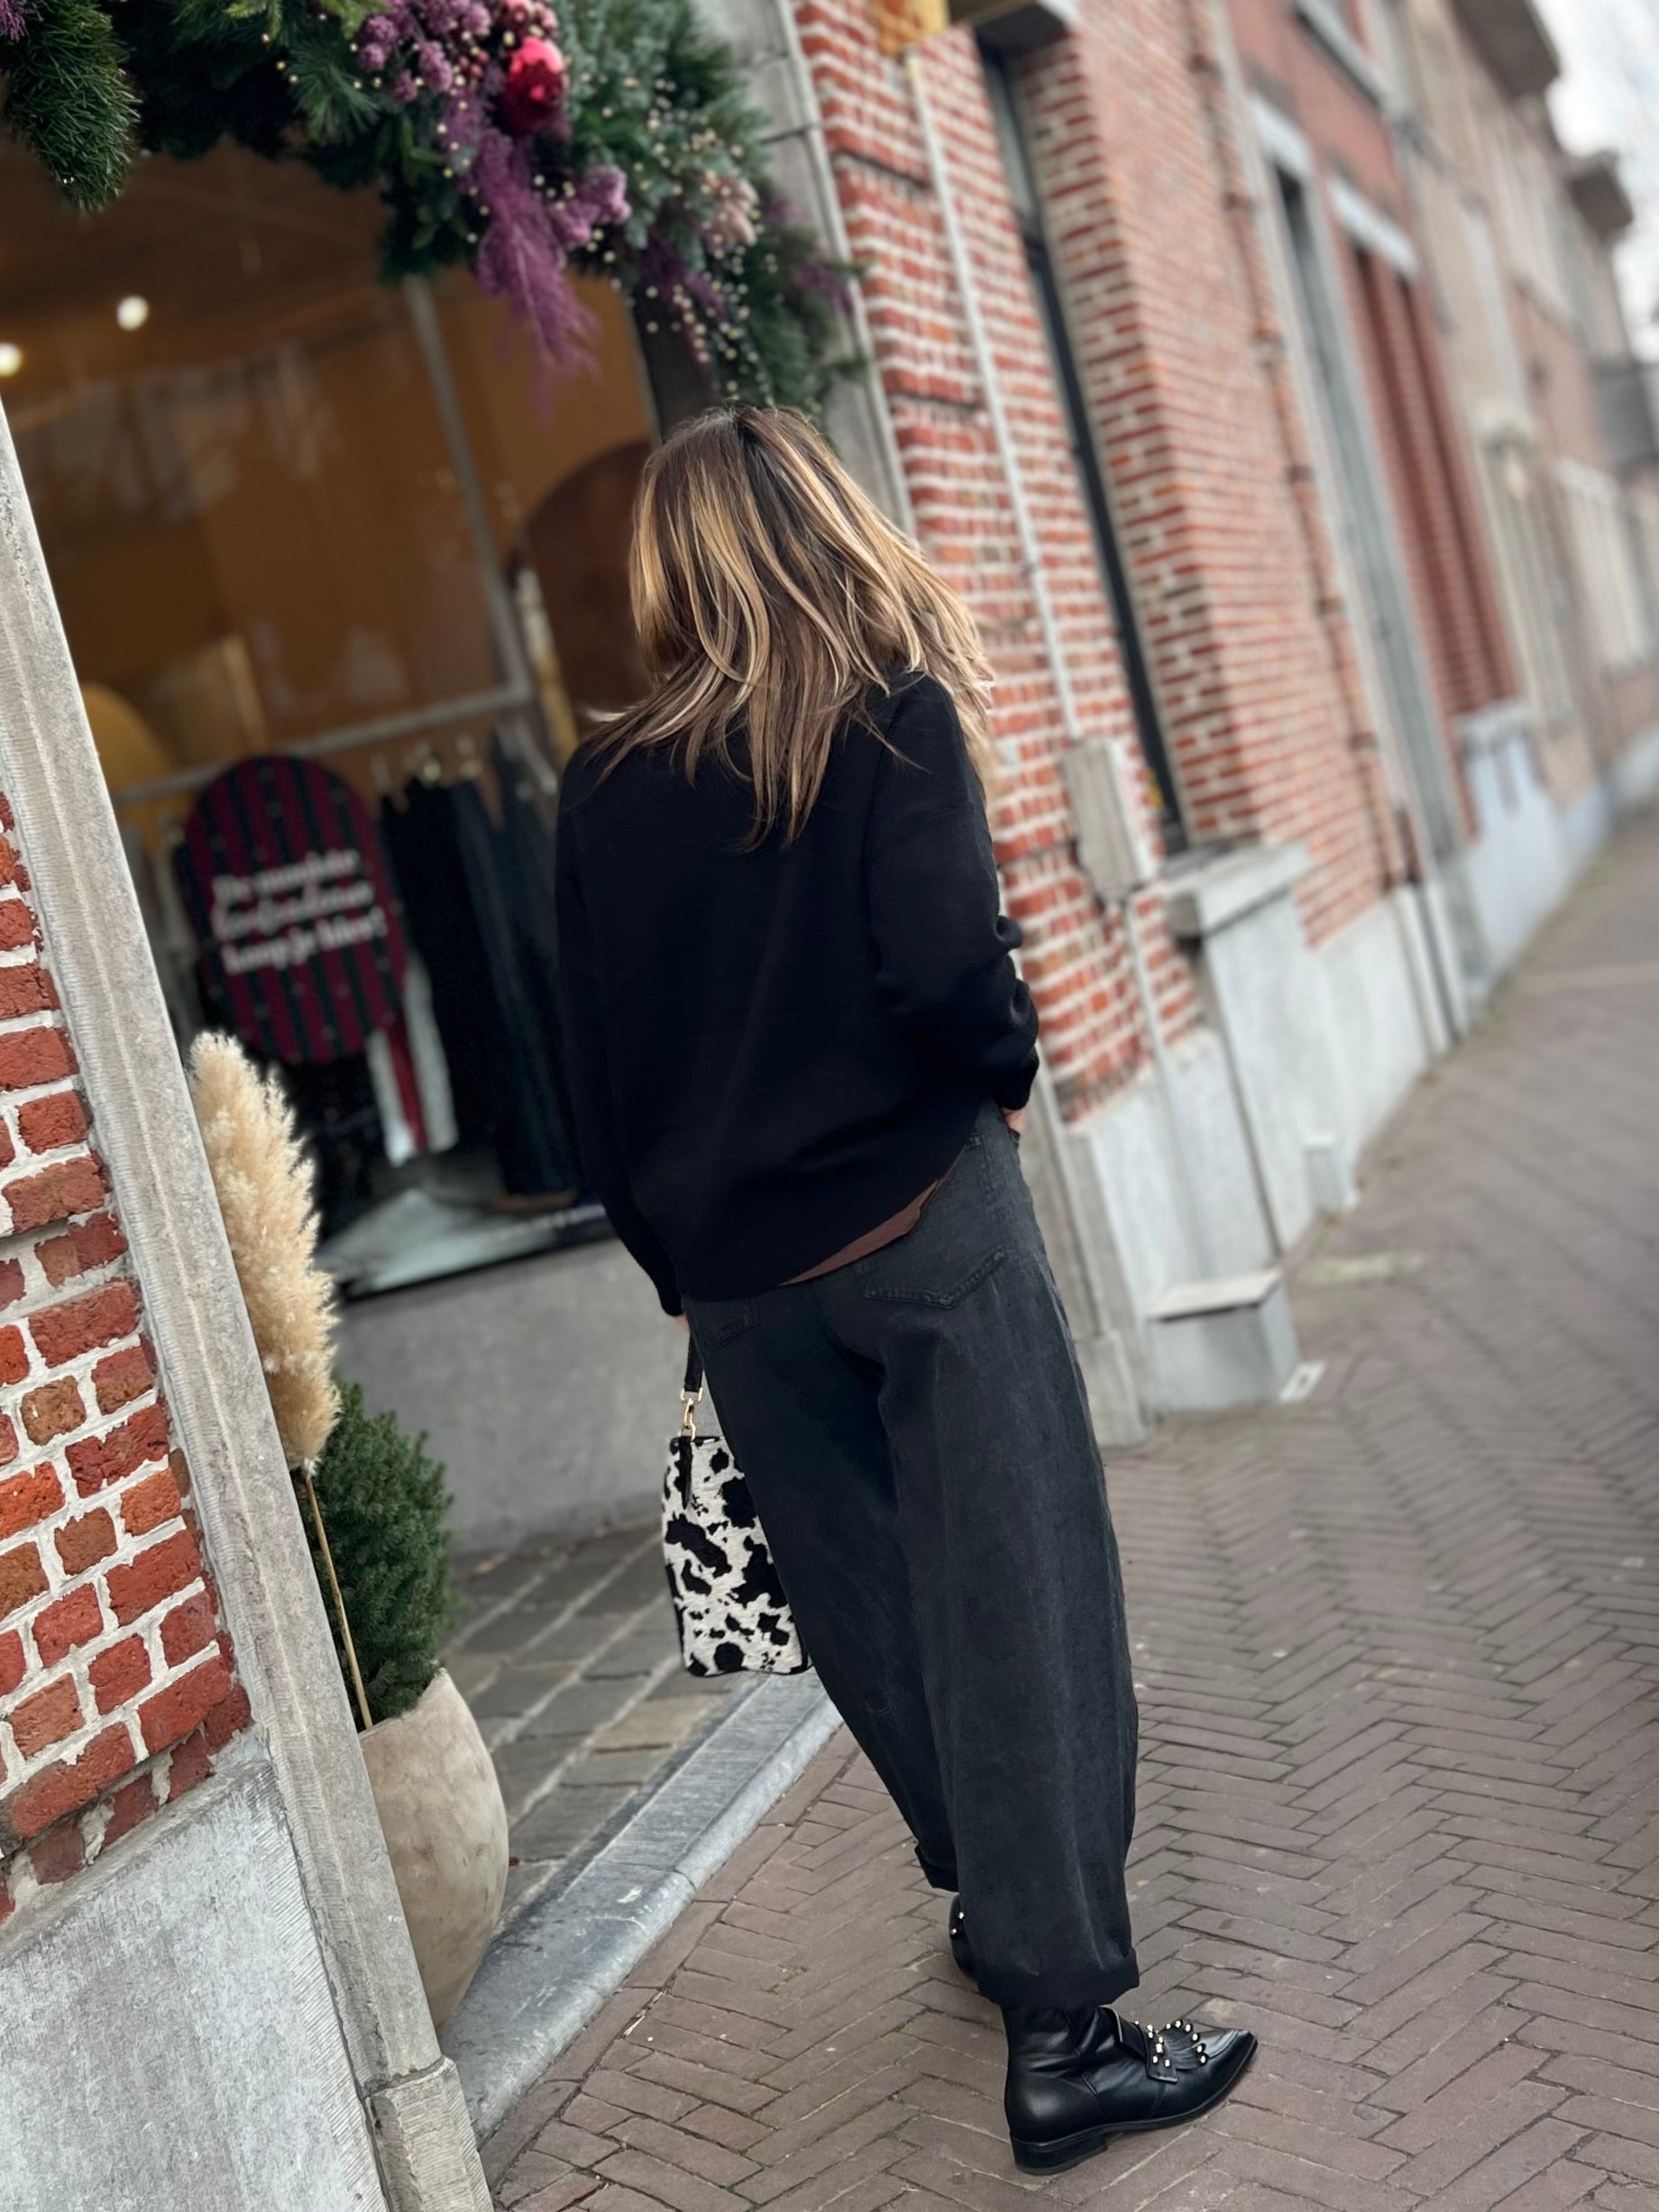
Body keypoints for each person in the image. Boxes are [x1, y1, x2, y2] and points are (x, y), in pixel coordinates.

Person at [554, 405, 1255, 2173]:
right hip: (924, 1222)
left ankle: (991, 1903)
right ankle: (1065, 2035)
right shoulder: (884, 714)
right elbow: (947, 968)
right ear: (827, 526)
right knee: (1018, 1595)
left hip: (742, 1288)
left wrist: (677, 1261)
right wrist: (1000, 1080)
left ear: (673, 570)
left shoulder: (602, 786)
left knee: (872, 1613)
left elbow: (590, 1083)